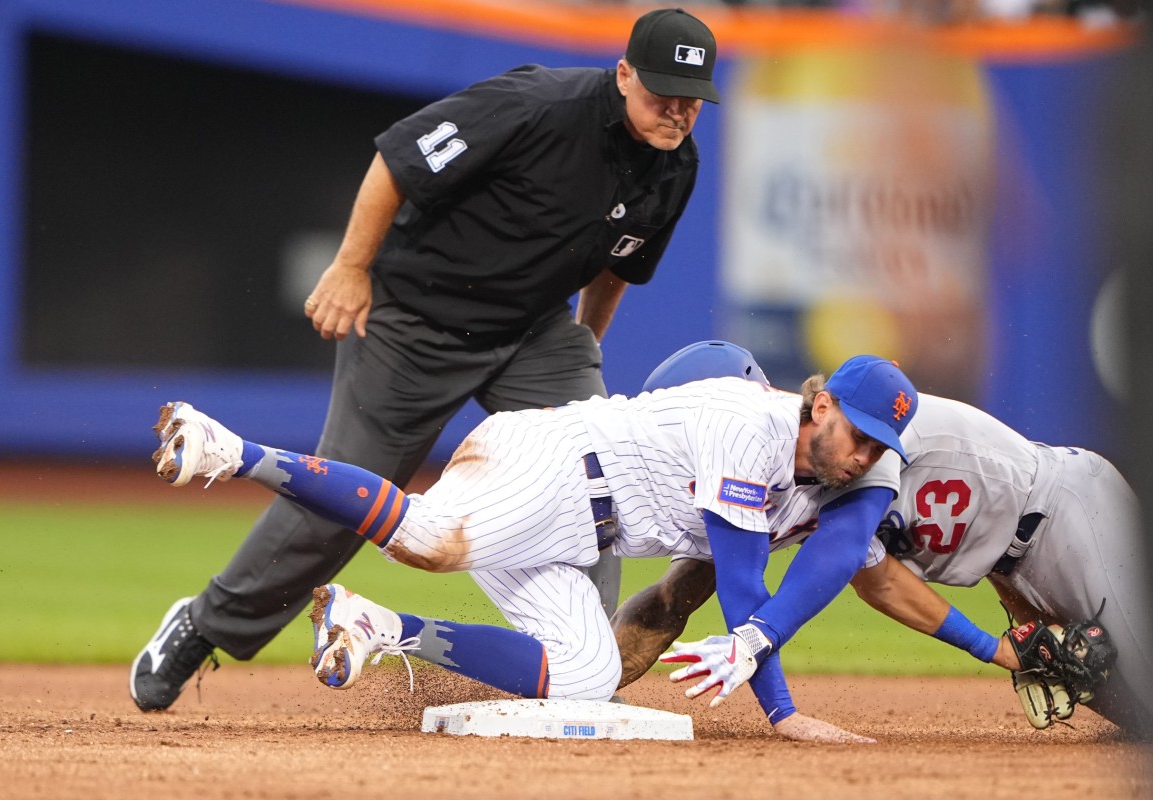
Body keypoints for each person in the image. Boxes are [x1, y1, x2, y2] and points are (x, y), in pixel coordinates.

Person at [129, 7, 722, 711]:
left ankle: (577, 667)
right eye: (662, 94)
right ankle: (204, 625)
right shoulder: (536, 105)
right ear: (623, 75)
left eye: (691, 100)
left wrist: (586, 339)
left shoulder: (673, 164)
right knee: (347, 501)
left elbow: (617, 264)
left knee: (598, 473)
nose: (677, 112)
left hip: (531, 332)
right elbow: (399, 159)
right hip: (415, 321)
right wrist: (352, 268)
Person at [146, 354, 918, 714]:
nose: (865, 455)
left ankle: (376, 625)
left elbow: (754, 576)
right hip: (551, 468)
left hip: (576, 532)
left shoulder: (815, 478)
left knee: (587, 677)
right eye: (860, 433)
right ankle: (231, 449)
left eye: (881, 448)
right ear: (820, 406)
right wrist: (783, 715)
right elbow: (746, 588)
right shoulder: (753, 424)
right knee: (426, 536)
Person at [614, 341, 1152, 740]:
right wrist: (593, 681)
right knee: (1130, 715)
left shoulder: (857, 431)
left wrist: (992, 650)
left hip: (1065, 511)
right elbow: (678, 595)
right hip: (1007, 566)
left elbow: (846, 554)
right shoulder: (775, 473)